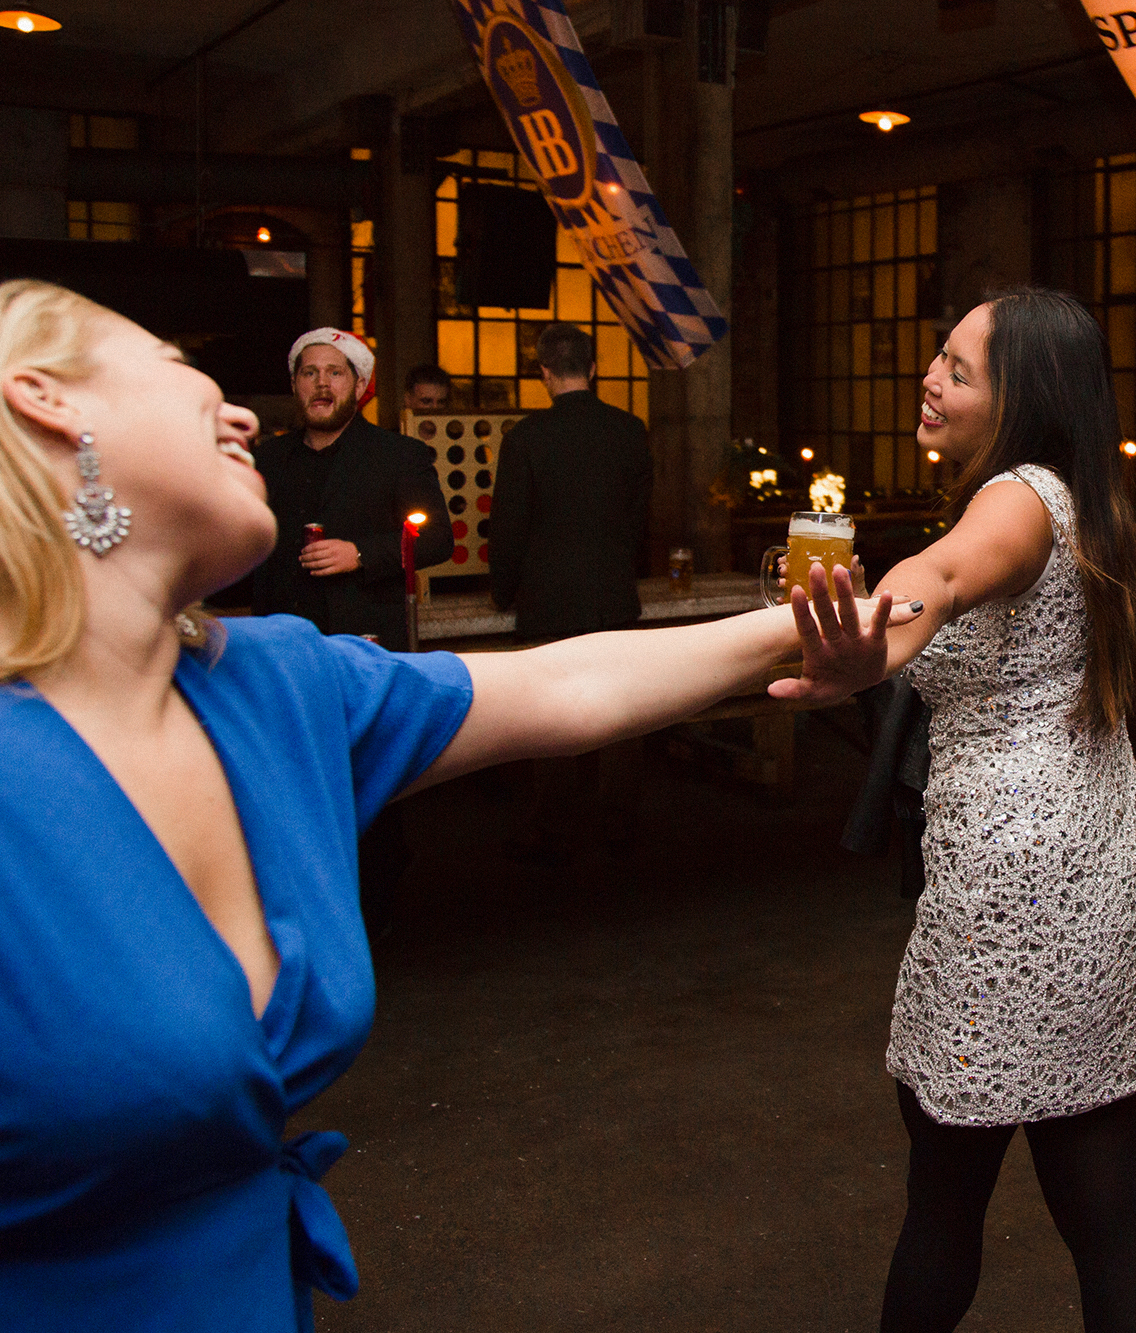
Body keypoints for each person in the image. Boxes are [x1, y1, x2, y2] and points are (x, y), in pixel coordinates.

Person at [0, 278, 904, 1330]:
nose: (248, 411)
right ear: (46, 400)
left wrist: (810, 633)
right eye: (175, 364)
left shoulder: (281, 682)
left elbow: (566, 686)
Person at [790, 288, 1136, 1332]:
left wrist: (880, 622)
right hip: (1095, 879)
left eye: (957, 368)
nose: (930, 377)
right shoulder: (1080, 497)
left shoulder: (1015, 494)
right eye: (937, 354)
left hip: (1010, 906)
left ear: (1020, 398)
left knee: (943, 1202)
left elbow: (946, 574)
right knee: (1104, 1209)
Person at [488, 321, 654, 857]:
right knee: (624, 712)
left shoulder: (526, 439)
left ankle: (553, 827)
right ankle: (619, 823)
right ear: (594, 367)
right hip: (611, 590)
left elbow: (509, 527)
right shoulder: (629, 431)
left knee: (552, 714)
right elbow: (639, 519)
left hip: (547, 597)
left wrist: (502, 589)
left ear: (542, 373)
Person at [250, 329, 451, 652]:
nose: (322, 383)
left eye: (335, 372)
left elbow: (437, 539)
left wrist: (359, 554)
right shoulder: (267, 459)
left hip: (366, 643)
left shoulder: (399, 454)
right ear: (294, 385)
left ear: (359, 387)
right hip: (284, 645)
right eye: (310, 373)